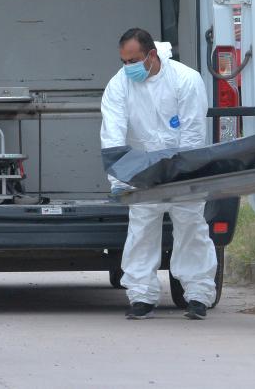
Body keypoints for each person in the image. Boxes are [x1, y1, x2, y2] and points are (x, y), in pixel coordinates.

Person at [100, 28, 218, 320]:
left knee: (191, 227)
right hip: (142, 168)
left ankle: (198, 295)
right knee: (141, 229)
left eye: (134, 60)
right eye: (124, 62)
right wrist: (119, 178)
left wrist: (185, 174)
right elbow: (112, 133)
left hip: (183, 166)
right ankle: (141, 296)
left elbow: (192, 135)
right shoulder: (119, 85)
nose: (129, 68)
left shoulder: (185, 80)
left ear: (152, 54)